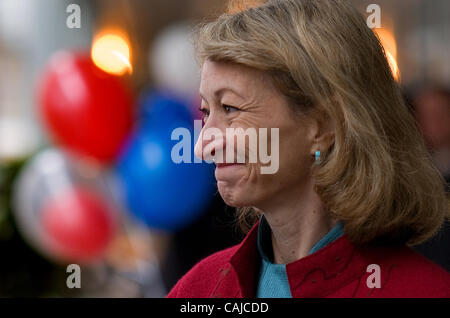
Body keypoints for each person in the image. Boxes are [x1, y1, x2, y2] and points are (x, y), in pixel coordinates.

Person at [168, 0, 450, 298]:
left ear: (324, 125)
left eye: (230, 108)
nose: (202, 146)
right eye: (205, 111)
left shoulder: (422, 291)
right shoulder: (200, 289)